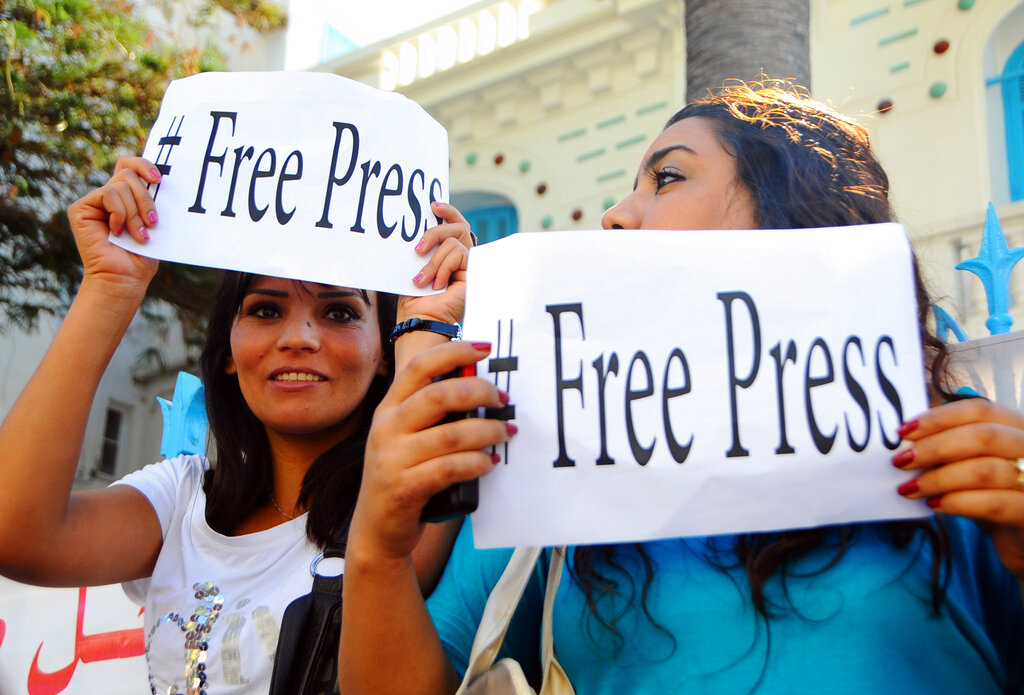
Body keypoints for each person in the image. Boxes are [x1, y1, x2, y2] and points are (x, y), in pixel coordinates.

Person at [338, 81, 1024, 694]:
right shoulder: (554, 477)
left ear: (793, 209)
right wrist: (377, 551)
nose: (613, 215)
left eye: (665, 177)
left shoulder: (954, 456)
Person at [0, 156, 480, 694]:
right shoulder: (181, 498)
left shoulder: (408, 503)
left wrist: (427, 325)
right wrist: (110, 286)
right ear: (227, 350)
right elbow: (17, 536)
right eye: (265, 311)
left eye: (340, 313)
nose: (298, 337)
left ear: (384, 353)